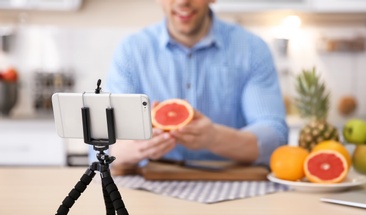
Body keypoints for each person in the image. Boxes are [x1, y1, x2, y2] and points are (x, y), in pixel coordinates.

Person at [101, 0, 289, 173]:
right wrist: (133, 149)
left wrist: (214, 138)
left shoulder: (253, 49)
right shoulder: (131, 51)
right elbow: (104, 144)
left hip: (231, 184)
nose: (183, 2)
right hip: (150, 186)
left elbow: (275, 136)